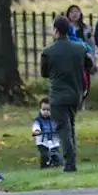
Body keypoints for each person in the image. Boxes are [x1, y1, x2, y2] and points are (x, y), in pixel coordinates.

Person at [40, 16, 92, 172]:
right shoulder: (80, 48)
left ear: (56, 30)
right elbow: (89, 65)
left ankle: (70, 163)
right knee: (71, 126)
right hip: (76, 93)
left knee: (63, 128)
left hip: (58, 95)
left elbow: (44, 73)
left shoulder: (48, 52)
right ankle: (72, 157)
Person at [32, 99, 61, 168]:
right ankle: (44, 166)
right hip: (42, 142)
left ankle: (57, 164)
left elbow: (59, 125)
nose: (46, 112)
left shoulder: (55, 119)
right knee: (45, 154)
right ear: (40, 109)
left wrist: (60, 129)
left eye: (48, 110)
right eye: (43, 109)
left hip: (54, 141)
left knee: (56, 153)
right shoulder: (38, 120)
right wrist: (36, 131)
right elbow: (36, 126)